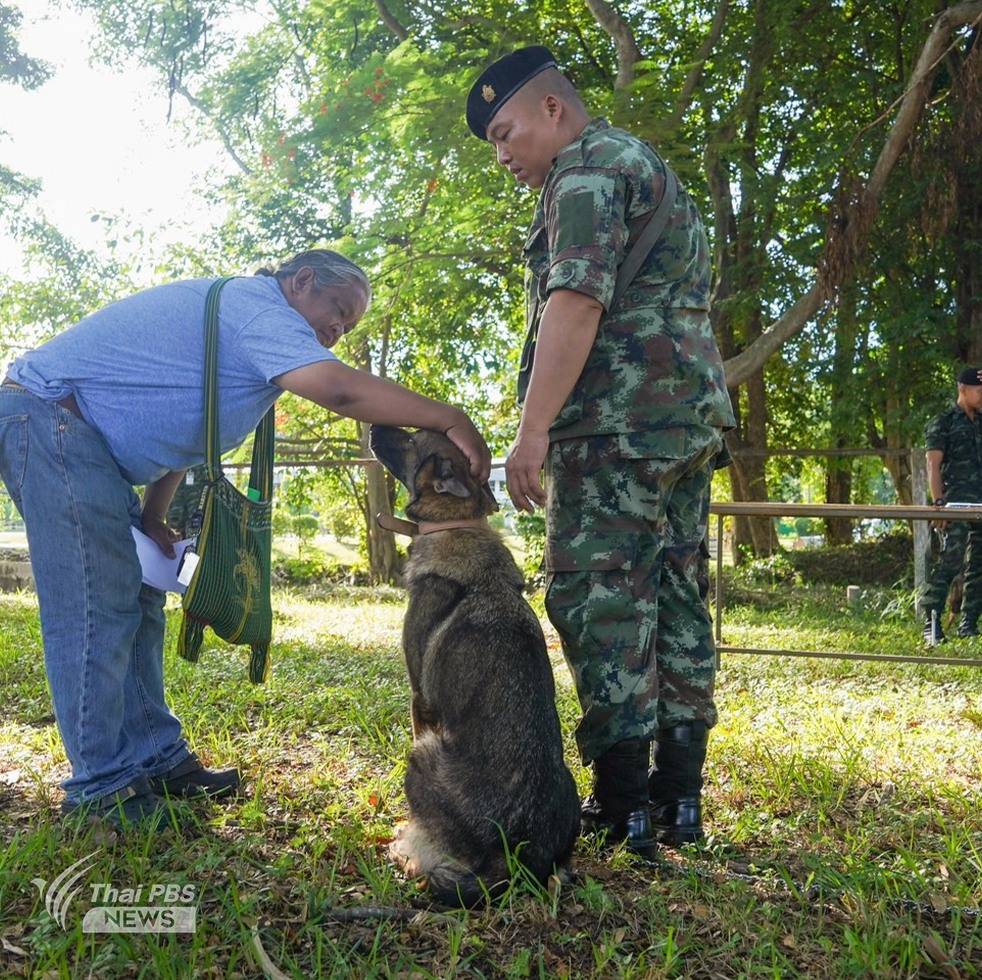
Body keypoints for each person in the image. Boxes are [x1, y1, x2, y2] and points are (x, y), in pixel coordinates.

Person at [0, 248, 491, 828]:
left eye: (347, 327)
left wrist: (156, 513)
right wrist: (448, 417)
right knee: (93, 606)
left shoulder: (254, 340)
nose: (336, 332)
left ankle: (156, 759)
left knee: (137, 601)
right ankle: (100, 793)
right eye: (337, 312)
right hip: (49, 420)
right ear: (301, 280)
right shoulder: (257, 308)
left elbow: (187, 428)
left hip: (90, 446)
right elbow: (339, 391)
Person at [465, 48, 735, 854]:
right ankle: (678, 799)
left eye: (508, 132)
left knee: (599, 598)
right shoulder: (642, 163)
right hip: (686, 420)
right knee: (677, 596)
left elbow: (576, 300)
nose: (505, 155)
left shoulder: (583, 173)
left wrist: (533, 430)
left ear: (553, 109)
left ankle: (626, 809)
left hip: (616, 427)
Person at [921, 366, 982, 644]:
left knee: (979, 564)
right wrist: (939, 504)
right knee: (950, 561)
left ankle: (969, 623)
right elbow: (933, 465)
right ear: (962, 389)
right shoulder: (943, 421)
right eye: (979, 391)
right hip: (955, 503)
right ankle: (931, 621)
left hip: (980, 504)